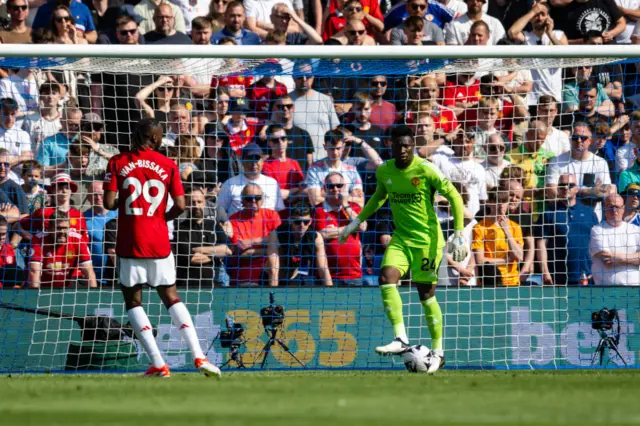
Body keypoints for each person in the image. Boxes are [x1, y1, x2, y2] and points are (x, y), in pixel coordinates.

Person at [339, 125, 468, 374]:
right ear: (391, 145)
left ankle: (438, 352)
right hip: (401, 238)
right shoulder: (385, 170)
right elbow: (379, 197)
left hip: (428, 241)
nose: (404, 149)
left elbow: (454, 196)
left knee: (425, 294)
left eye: (408, 145)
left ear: (412, 145)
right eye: (399, 144)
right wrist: (355, 222)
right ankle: (401, 339)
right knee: (386, 277)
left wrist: (459, 233)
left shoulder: (425, 168)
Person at [103, 118, 221, 378]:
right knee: (172, 297)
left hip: (129, 241)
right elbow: (180, 205)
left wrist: (126, 203)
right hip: (158, 241)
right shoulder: (168, 164)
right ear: (156, 139)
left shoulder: (118, 162)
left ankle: (158, 363)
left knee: (133, 301)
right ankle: (199, 357)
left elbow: (109, 203)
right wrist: (159, 219)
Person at [536, 173, 599, 286]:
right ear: (558, 188)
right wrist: (545, 271)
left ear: (577, 188)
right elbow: (541, 244)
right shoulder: (549, 213)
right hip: (557, 277)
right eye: (562, 185)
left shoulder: (589, 212)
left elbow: (597, 244)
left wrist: (596, 270)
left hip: (586, 276)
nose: (566, 188)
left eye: (570, 185)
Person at [314, 172, 366, 286]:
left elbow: (362, 226)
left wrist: (345, 204)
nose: (336, 189)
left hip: (355, 275)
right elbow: (323, 234)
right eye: (331, 186)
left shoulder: (353, 207)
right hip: (330, 277)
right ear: (325, 189)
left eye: (339, 185)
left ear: (345, 187)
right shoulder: (318, 210)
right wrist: (352, 227)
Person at [175, 188, 231, 288]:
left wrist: (198, 249)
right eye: (192, 202)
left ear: (204, 203)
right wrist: (215, 254)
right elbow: (191, 258)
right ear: (187, 205)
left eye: (199, 202)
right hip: (187, 285)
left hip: (214, 284)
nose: (196, 206)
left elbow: (227, 250)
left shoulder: (214, 225)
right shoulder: (180, 229)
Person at [227, 182, 281, 286]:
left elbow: (279, 245)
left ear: (263, 199)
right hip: (245, 277)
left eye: (257, 197)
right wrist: (268, 247)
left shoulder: (272, 216)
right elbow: (241, 254)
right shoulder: (233, 221)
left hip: (271, 273)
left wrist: (253, 243)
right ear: (242, 200)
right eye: (248, 198)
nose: (253, 201)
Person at [27, 210, 97, 289]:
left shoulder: (77, 240)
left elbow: (89, 272)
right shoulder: (38, 240)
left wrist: (93, 296)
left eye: (65, 228)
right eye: (59, 228)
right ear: (50, 228)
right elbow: (34, 271)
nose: (62, 232)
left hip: (69, 284)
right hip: (44, 287)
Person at [471, 187, 524, 287]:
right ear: (489, 202)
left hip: (512, 282)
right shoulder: (479, 227)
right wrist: (506, 260)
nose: (501, 205)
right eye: (497, 201)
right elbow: (480, 261)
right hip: (489, 282)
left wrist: (507, 232)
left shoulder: (515, 227)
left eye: (504, 201)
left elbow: (520, 257)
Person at [289, 62, 340, 159]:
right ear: (293, 77)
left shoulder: (325, 100)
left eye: (308, 76)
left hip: (324, 160)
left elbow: (334, 132)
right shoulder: (286, 103)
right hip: (299, 162)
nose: (304, 79)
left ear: (313, 77)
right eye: (299, 76)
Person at [217, 143, 284, 215]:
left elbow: (279, 211)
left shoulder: (272, 184)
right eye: (250, 159)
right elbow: (219, 211)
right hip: (237, 225)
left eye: (257, 159)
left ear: (262, 161)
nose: (254, 163)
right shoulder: (229, 184)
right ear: (242, 161)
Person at [277, 199, 332, 286]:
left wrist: (331, 292)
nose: (302, 225)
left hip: (295, 278)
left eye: (306, 222)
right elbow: (273, 269)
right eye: (297, 222)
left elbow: (323, 268)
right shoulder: (278, 235)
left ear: (310, 221)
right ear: (290, 220)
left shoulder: (315, 237)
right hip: (274, 278)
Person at [304, 129, 365, 206]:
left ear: (343, 146)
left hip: (347, 216)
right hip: (325, 216)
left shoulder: (351, 170)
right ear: (325, 147)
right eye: (331, 149)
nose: (335, 152)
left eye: (338, 148)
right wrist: (346, 197)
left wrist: (325, 194)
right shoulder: (314, 169)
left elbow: (360, 202)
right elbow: (315, 201)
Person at [590, 194, 640, 286]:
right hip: (605, 290)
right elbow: (607, 259)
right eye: (610, 207)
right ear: (604, 209)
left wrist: (619, 259)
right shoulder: (597, 230)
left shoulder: (636, 230)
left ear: (623, 208)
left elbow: (613, 259)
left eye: (617, 207)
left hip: (634, 289)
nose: (614, 210)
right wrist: (635, 257)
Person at [83, 181, 118, 285]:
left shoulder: (121, 215)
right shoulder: (82, 219)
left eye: (101, 194)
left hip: (118, 275)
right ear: (88, 197)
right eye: (94, 195)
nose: (98, 198)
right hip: (95, 277)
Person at [262, 124, 305, 202]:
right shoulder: (266, 166)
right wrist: (293, 191)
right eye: (275, 140)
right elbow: (273, 194)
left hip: (295, 211)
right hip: (277, 211)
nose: (280, 142)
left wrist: (291, 195)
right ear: (269, 143)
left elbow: (303, 188)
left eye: (283, 138)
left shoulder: (294, 163)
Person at [33, 0, 97, 43]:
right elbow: (34, 37)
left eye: (66, 19)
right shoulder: (44, 9)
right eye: (59, 19)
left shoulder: (83, 9)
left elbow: (94, 36)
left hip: (77, 58)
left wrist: (83, 36)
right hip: (51, 57)